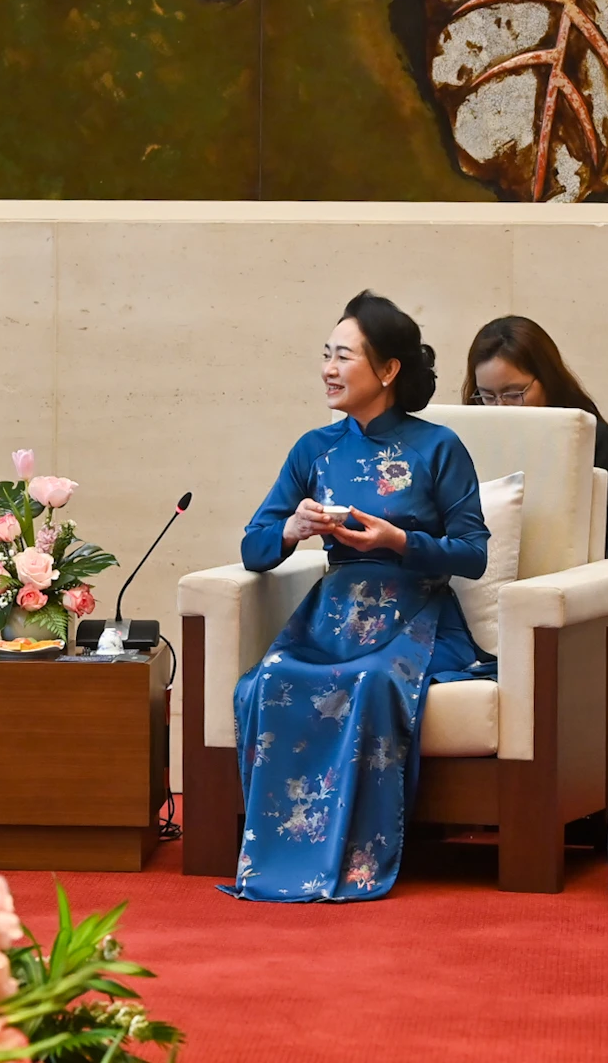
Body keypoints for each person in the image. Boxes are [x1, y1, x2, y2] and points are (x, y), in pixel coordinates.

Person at [228, 291, 490, 902]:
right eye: (327, 355)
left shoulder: (437, 446)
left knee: (373, 682)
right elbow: (254, 546)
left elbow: (473, 554)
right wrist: (292, 529)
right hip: (332, 614)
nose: (328, 368)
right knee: (262, 683)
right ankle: (279, 856)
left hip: (415, 612)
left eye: (343, 356)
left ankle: (357, 859)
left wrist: (401, 540)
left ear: (388, 370)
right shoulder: (313, 448)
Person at [463, 315, 608, 560]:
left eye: (513, 393)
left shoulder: (591, 440)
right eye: (487, 396)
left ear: (548, 381)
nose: (500, 407)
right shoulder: (469, 436)